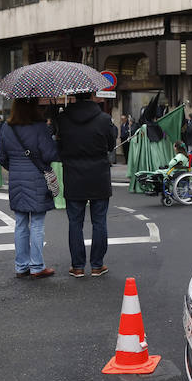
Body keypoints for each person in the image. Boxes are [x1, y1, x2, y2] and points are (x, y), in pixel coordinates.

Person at [56, 93, 117, 278]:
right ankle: (97, 265)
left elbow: (59, 148)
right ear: (91, 95)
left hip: (73, 175)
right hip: (98, 174)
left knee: (75, 223)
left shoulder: (63, 119)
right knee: (99, 222)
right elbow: (110, 145)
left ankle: (78, 266)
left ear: (74, 96)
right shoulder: (104, 119)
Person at [0, 98, 59, 279]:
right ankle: (37, 266)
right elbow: (49, 154)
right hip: (37, 179)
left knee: (20, 224)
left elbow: (1, 157)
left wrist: (16, 168)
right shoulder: (39, 126)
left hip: (16, 179)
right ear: (33, 106)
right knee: (37, 224)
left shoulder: (6, 127)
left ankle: (21, 266)